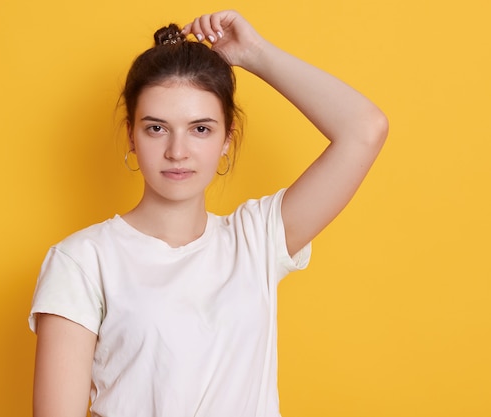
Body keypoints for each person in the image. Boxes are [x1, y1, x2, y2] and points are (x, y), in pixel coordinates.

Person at [29, 10, 388, 417]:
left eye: (200, 129)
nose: (177, 151)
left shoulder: (256, 240)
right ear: (131, 134)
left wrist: (254, 53)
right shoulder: (81, 261)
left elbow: (365, 129)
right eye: (156, 128)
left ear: (225, 139)